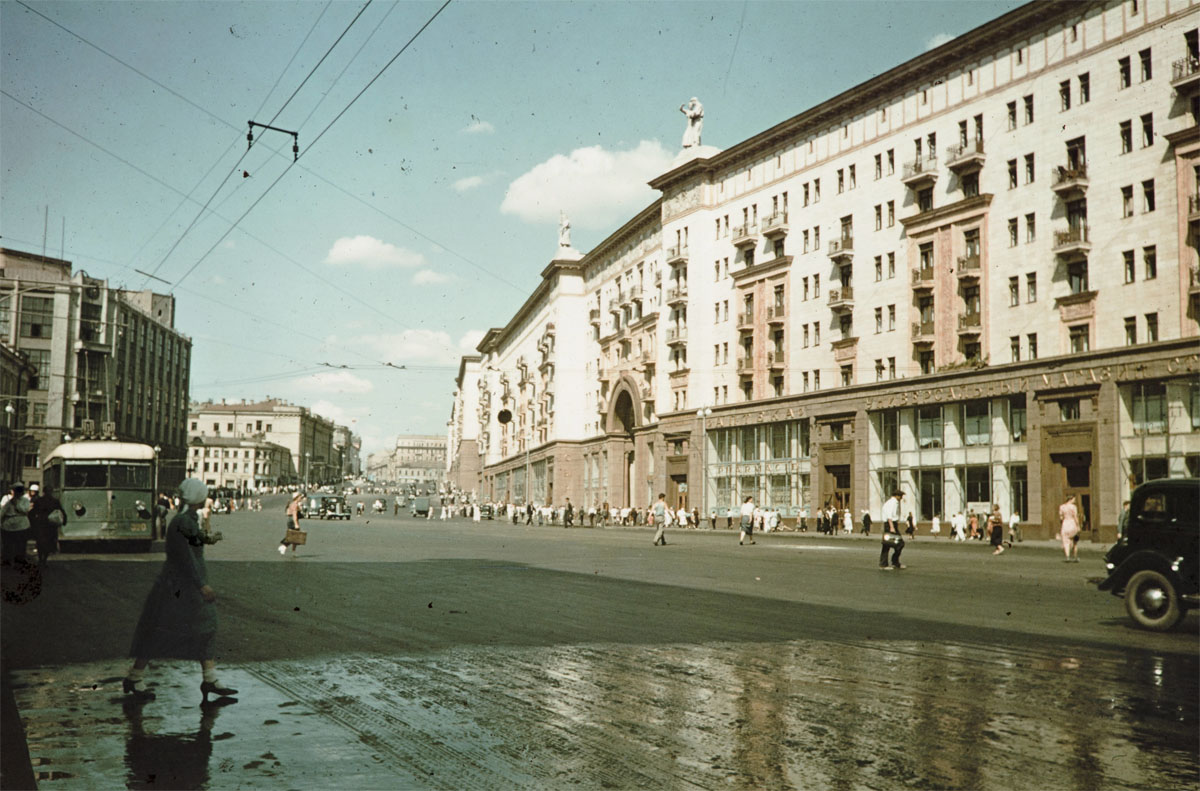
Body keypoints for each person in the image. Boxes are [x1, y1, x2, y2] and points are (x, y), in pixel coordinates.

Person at [125, 478, 236, 704]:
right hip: (180, 588)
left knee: (200, 627)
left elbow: (194, 544)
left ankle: (209, 678)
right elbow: (186, 558)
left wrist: (208, 532)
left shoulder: (186, 520)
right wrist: (201, 585)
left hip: (180, 586)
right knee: (171, 630)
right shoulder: (183, 522)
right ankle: (136, 677)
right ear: (199, 497)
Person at [28, 483, 67, 570]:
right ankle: (44, 560)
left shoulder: (39, 501)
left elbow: (32, 513)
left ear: (43, 491)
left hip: (41, 525)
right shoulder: (55, 501)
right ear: (51, 491)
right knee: (49, 543)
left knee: (40, 542)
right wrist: (64, 521)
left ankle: (40, 559)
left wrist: (32, 522)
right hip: (51, 525)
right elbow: (62, 511)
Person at [1, 484, 33, 564]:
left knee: (21, 544)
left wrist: (16, 505)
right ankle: (7, 558)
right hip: (9, 526)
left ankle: (20, 559)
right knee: (8, 544)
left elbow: (25, 510)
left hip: (21, 525)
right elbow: (2, 512)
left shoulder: (25, 500)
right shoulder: (9, 501)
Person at [879, 489, 906, 570]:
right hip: (890, 524)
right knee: (899, 543)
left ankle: (887, 563)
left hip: (890, 524)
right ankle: (891, 563)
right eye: (900, 496)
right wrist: (892, 527)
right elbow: (889, 516)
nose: (901, 498)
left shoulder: (891, 502)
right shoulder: (893, 503)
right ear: (896, 496)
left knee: (887, 544)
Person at [1058, 494, 1081, 562]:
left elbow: (1061, 517)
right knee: (1074, 541)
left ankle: (1067, 556)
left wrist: (1062, 523)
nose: (1074, 500)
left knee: (1066, 541)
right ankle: (1075, 557)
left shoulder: (1062, 507)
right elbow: (1075, 517)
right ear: (1070, 499)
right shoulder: (1073, 507)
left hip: (1065, 524)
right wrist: (1078, 526)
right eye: (1074, 499)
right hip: (1072, 523)